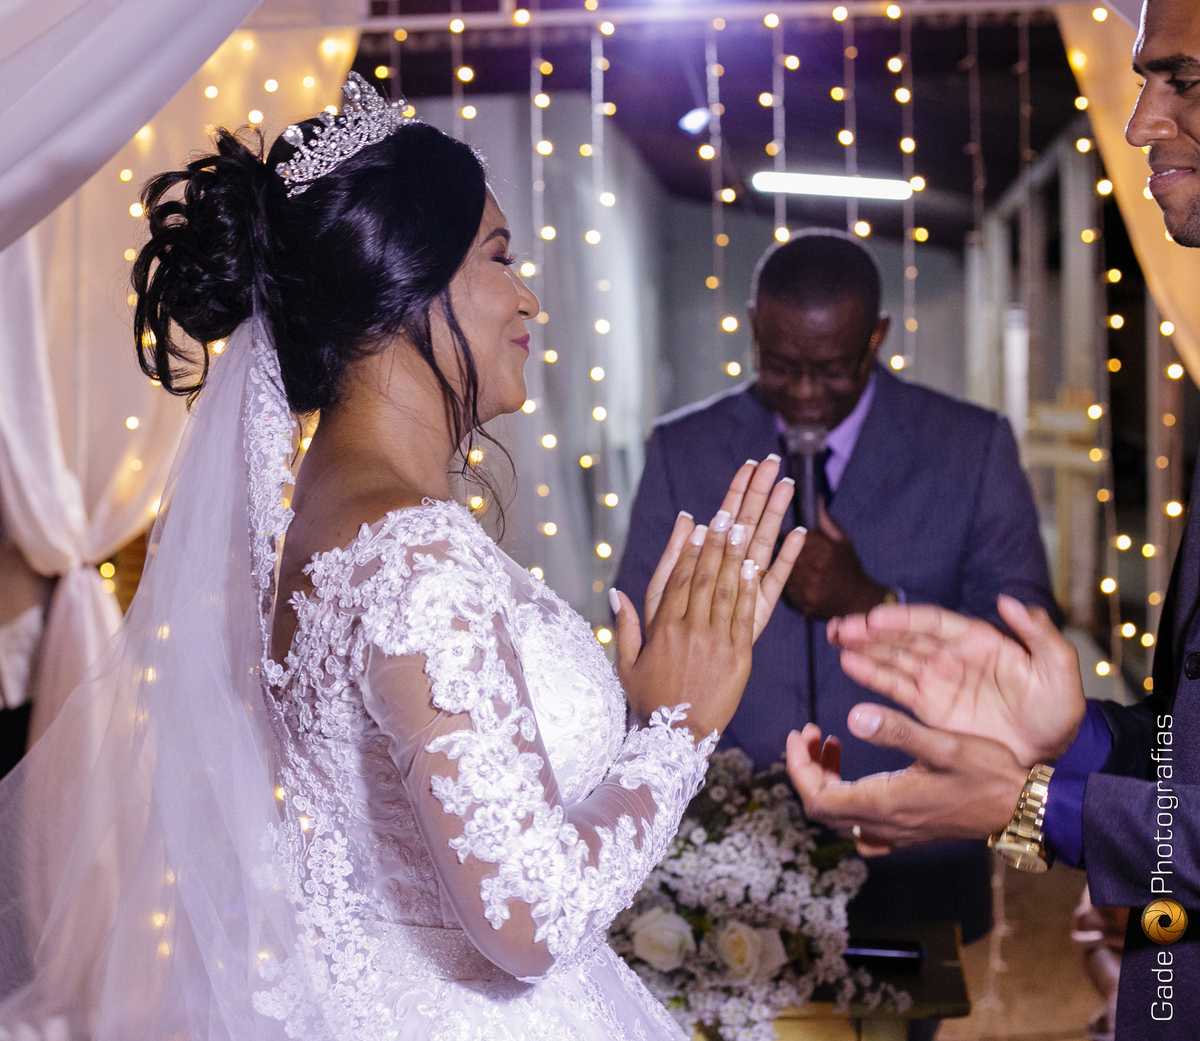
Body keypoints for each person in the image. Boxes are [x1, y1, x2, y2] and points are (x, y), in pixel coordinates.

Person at [0, 74, 807, 1040]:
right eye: (500, 257)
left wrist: (639, 712)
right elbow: (529, 916)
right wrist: (680, 728)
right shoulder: (413, 551)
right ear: (406, 283)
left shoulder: (319, 518)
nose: (529, 297)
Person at [788, 1, 1200, 1036]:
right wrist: (1076, 736)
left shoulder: (969, 442)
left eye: (1186, 80)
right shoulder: (690, 445)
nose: (1141, 123)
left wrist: (1033, 806)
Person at [615, 230, 1057, 947]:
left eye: (831, 369)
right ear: (753, 328)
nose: (803, 393)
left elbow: (1025, 638)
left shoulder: (972, 445)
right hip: (733, 844)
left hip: (914, 836)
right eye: (779, 365)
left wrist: (875, 601)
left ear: (876, 337)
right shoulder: (683, 448)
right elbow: (640, 631)